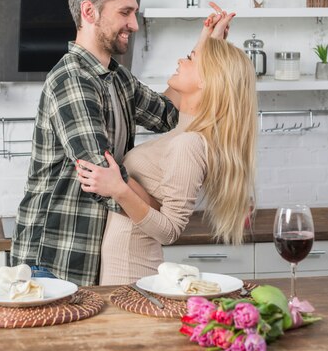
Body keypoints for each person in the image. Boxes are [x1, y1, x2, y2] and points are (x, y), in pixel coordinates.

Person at [11, 0, 185, 286]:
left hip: (90, 254)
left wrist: (208, 45)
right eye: (125, 12)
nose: (134, 24)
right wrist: (162, 215)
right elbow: (102, 176)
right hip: (54, 258)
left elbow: (168, 115)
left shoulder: (117, 78)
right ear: (89, 12)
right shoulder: (73, 79)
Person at [76, 23, 257, 285]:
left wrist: (120, 188)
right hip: (124, 269)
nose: (181, 60)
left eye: (192, 58)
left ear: (207, 80)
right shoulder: (183, 131)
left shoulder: (190, 144)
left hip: (130, 272)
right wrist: (207, 42)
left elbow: (170, 231)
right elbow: (169, 105)